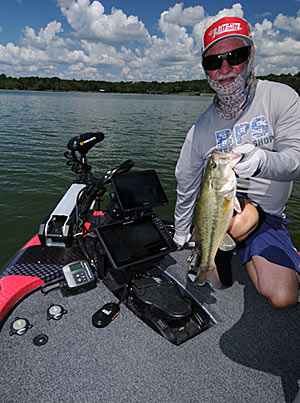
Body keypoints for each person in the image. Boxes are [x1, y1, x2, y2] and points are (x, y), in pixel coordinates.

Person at [173, 15, 300, 309]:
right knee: (244, 218)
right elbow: (187, 182)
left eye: (235, 56)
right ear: (206, 70)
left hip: (270, 216)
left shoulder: (282, 97)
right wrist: (181, 231)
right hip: (227, 210)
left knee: (283, 297)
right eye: (213, 62)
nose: (225, 68)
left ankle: (237, 250)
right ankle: (212, 251)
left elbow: (297, 161)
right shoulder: (200, 130)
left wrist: (261, 161)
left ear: (251, 55)